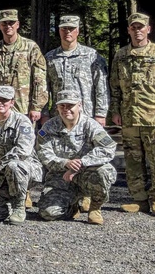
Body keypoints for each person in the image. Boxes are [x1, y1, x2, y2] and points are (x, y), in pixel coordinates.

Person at [109, 12, 155, 216]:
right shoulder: (121, 55)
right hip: (129, 117)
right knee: (133, 161)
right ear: (128, 30)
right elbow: (115, 87)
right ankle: (139, 199)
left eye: (141, 27)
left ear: (148, 29)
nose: (137, 30)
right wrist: (115, 111)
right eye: (133, 27)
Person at [36, 90, 118, 225]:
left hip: (86, 174)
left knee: (104, 171)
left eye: (70, 106)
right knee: (48, 213)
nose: (66, 109)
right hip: (61, 176)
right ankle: (73, 205)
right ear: (57, 108)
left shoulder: (90, 125)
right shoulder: (49, 127)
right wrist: (65, 163)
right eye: (62, 106)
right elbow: (43, 153)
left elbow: (108, 148)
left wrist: (82, 163)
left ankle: (95, 208)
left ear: (79, 106)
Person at [0, 85, 43, 225]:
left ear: (12, 102)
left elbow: (23, 151)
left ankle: (19, 206)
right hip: (1, 177)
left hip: (26, 171)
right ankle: (8, 201)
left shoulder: (23, 122)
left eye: (4, 100)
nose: (0, 103)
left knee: (14, 165)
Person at [0, 9, 48, 123]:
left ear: (17, 24)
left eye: (11, 23)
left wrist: (36, 107)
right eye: (4, 23)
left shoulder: (30, 48)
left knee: (25, 140)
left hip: (24, 109)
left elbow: (39, 80)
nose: (8, 26)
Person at [44, 15, 109, 126]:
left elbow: (101, 86)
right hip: (58, 115)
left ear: (77, 31)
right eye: (64, 29)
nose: (67, 32)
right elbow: (44, 87)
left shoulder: (91, 56)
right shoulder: (50, 57)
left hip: (86, 115)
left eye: (71, 29)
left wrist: (101, 113)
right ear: (59, 31)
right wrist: (44, 113)